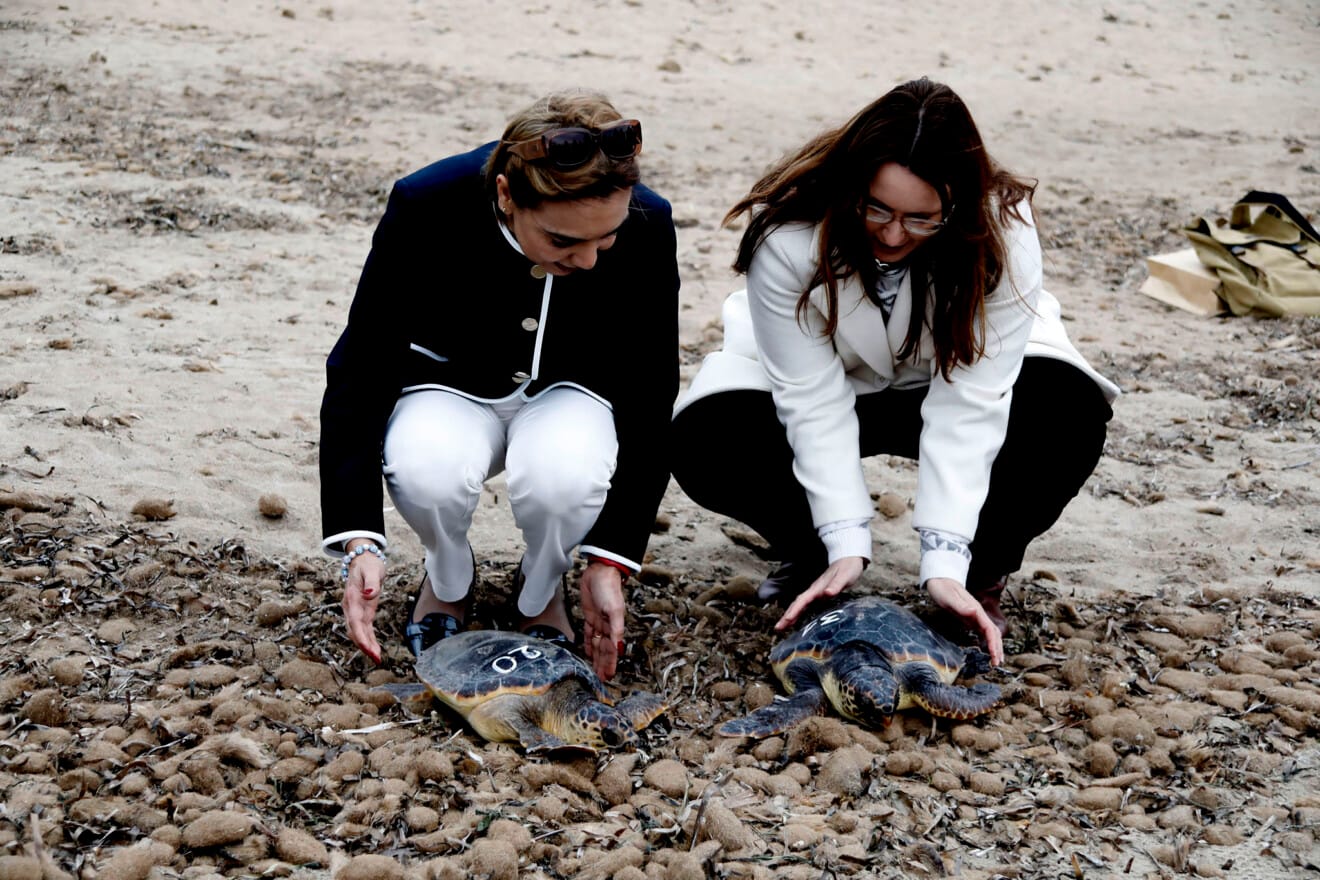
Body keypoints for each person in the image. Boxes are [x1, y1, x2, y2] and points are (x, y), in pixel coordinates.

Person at [671, 78, 1118, 665]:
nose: (891, 233)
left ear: (956, 204)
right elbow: (811, 397)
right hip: (831, 380)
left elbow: (973, 401)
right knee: (707, 432)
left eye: (920, 219)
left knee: (1067, 404)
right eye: (875, 207)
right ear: (850, 185)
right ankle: (815, 555)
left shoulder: (1002, 231)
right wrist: (846, 540)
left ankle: (980, 575)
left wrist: (946, 559)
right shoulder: (788, 233)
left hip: (946, 377)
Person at [320, 91, 679, 681]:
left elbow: (650, 388)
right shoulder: (426, 200)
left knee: (566, 480)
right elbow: (362, 364)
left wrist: (611, 558)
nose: (590, 260)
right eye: (564, 241)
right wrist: (360, 539)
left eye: (606, 239)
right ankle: (447, 576)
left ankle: (542, 589)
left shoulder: (650, 219)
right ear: (508, 196)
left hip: (574, 388)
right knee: (425, 470)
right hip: (450, 384)